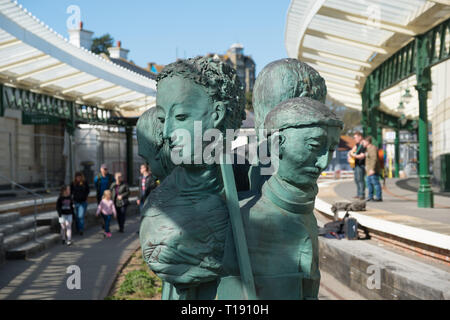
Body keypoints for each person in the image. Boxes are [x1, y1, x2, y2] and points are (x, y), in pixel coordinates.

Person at [363, 136, 383, 201]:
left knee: (376, 183)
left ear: (367, 142)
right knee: (369, 183)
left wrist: (372, 169)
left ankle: (378, 197)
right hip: (369, 170)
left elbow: (374, 159)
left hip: (372, 170)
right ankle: (370, 196)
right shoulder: (368, 149)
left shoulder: (372, 148)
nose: (363, 143)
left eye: (364, 142)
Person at [348, 131, 366, 200]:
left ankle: (362, 194)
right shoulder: (357, 144)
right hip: (356, 164)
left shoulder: (364, 144)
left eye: (355, 137)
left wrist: (353, 155)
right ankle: (358, 194)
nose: (354, 139)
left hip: (361, 164)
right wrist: (350, 155)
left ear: (360, 137)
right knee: (356, 179)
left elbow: (362, 156)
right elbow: (351, 151)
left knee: (360, 179)